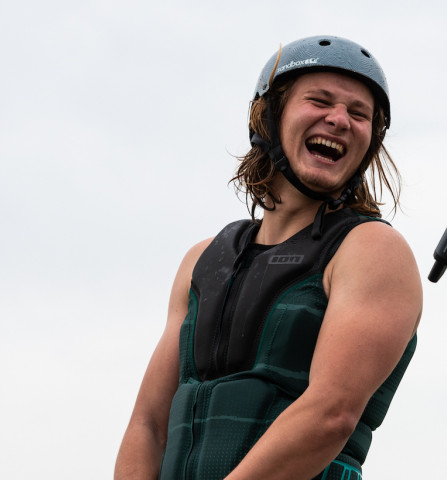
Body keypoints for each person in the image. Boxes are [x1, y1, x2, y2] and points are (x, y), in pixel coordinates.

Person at [114, 35, 422, 480]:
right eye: (320, 101)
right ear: (269, 115)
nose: (339, 120)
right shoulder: (203, 261)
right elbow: (148, 424)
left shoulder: (372, 250)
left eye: (359, 114)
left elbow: (330, 413)